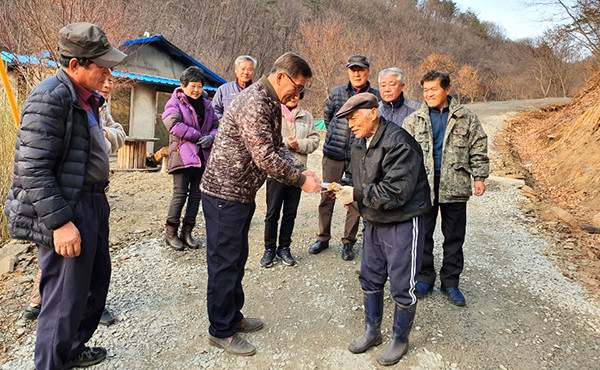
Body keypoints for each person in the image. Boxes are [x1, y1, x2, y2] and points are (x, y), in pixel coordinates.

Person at [4, 22, 126, 369]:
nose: (108, 72)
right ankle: (51, 362)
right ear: (75, 65)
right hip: (67, 207)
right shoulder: (50, 97)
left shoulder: (87, 99)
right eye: (101, 65)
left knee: (93, 286)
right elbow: (32, 169)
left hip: (91, 201)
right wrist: (60, 223)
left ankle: (71, 348)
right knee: (61, 301)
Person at [200, 52, 322, 356]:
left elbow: (276, 147)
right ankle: (220, 330)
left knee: (237, 258)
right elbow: (264, 157)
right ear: (281, 77)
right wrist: (299, 179)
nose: (298, 95)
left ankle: (233, 316)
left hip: (239, 194)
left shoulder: (269, 101)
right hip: (223, 194)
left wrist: (299, 167)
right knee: (224, 263)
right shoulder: (255, 103)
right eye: (297, 88)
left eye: (302, 91)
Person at [332, 93, 431, 366]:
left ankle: (400, 338)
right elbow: (357, 177)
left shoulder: (400, 143)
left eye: (353, 118)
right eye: (347, 120)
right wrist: (345, 189)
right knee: (370, 275)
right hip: (373, 219)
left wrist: (357, 193)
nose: (350, 124)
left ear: (373, 113)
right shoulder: (359, 142)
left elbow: (396, 192)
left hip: (402, 219)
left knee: (402, 283)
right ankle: (372, 331)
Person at [22, 73, 126, 326]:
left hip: (93, 191)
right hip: (66, 192)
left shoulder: (99, 106)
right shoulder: (61, 99)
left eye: (112, 81)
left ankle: (86, 308)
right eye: (104, 78)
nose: (108, 84)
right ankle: (42, 303)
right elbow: (34, 164)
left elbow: (117, 134)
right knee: (61, 255)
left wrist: (103, 135)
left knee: (87, 255)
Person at [403, 71, 489, 306]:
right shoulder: (414, 120)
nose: (429, 94)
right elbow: (403, 155)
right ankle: (424, 278)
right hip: (423, 187)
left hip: (456, 186)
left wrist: (479, 177)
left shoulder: (466, 117)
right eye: (425, 90)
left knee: (454, 237)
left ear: (447, 90)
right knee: (423, 236)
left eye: (434, 89)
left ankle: (450, 282)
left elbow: (478, 146)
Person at [309, 54, 381, 261]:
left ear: (368, 71)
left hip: (360, 155)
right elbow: (328, 117)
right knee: (327, 195)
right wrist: (336, 135)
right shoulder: (337, 93)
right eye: (353, 70)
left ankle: (348, 242)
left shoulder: (374, 96)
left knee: (355, 198)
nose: (356, 73)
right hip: (334, 153)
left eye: (360, 70)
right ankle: (322, 238)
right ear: (348, 72)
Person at [162, 66, 219, 251]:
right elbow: (172, 124)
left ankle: (187, 231)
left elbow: (217, 126)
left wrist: (211, 136)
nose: (196, 90)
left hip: (202, 156)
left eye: (199, 86)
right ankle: (171, 233)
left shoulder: (207, 105)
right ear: (183, 85)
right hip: (182, 155)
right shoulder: (175, 103)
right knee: (179, 194)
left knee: (196, 195)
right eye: (192, 86)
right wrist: (197, 135)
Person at [261, 91, 320, 268]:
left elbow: (315, 140)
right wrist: (286, 142)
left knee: (290, 213)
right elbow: (267, 140)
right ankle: (269, 249)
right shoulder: (273, 112)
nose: (294, 97)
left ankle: (284, 247)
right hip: (277, 171)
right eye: (290, 94)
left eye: (297, 95)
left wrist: (300, 145)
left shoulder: (307, 116)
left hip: (298, 172)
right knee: (272, 213)